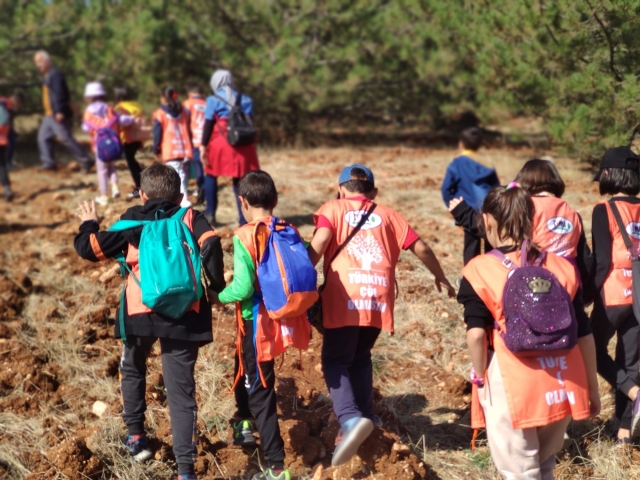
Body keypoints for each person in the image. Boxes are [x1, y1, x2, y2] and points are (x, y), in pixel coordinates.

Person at [73, 163, 225, 480]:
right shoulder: (190, 217)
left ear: (142, 194)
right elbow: (210, 243)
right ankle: (186, 471)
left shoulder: (132, 221)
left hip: (139, 309)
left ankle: (136, 436)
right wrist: (217, 288)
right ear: (180, 195)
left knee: (132, 366)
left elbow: (89, 249)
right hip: (187, 313)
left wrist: (89, 224)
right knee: (181, 394)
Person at [307, 164, 456, 466]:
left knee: (336, 359)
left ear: (341, 189)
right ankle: (366, 415)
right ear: (373, 193)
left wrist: (299, 274)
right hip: (378, 297)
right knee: (360, 355)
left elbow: (321, 241)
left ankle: (349, 420)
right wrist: (440, 276)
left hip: (345, 296)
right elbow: (421, 247)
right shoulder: (388, 214)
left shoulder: (332, 208)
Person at [458, 184, 599, 479]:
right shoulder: (561, 266)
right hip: (562, 380)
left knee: (520, 471)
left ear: (488, 222)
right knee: (545, 465)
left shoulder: (479, 268)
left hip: (513, 383)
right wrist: (592, 390)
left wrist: (481, 378)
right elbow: (584, 333)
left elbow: (475, 335)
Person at [215, 170, 294, 480]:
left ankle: (277, 468)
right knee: (242, 368)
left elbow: (243, 288)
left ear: (242, 202)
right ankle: (244, 422)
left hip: (256, 323)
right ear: (274, 200)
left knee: (261, 390)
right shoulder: (287, 228)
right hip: (280, 318)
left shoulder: (245, 234)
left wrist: (218, 295)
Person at [591, 146, 640, 443]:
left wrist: (586, 294)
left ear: (609, 174)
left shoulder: (604, 209)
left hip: (611, 296)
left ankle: (634, 392)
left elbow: (602, 261)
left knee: (592, 350)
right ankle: (624, 433)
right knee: (630, 362)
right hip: (639, 297)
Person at [514, 159, 593, 291]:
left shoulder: (525, 208)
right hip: (570, 282)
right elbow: (584, 258)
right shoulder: (572, 212)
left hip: (537, 283)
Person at [201, 69, 259, 226]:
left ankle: (211, 213)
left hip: (221, 142)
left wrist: (202, 145)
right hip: (243, 143)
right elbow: (249, 122)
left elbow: (208, 125)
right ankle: (243, 219)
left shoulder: (213, 100)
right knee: (240, 179)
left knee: (211, 175)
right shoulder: (246, 99)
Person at [442, 127, 500, 264]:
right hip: (488, 211)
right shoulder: (487, 163)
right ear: (480, 145)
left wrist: (456, 210)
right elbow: (497, 188)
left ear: (461, 144)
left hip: (468, 211)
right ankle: (491, 278)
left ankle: (470, 281)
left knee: (471, 247)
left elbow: (446, 190)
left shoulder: (457, 164)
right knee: (491, 246)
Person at [33, 50, 93, 172]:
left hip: (56, 114)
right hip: (49, 115)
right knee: (43, 138)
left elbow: (60, 94)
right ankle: (49, 163)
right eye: (36, 62)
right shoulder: (48, 75)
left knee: (65, 138)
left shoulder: (55, 75)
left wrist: (60, 111)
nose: (38, 65)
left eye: (40, 61)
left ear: (48, 60)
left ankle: (86, 161)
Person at [82, 82, 132, 206]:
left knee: (102, 171)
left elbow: (85, 127)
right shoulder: (110, 108)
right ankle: (115, 187)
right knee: (111, 167)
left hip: (100, 146)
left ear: (90, 97)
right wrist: (131, 119)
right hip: (114, 145)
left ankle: (104, 196)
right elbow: (121, 120)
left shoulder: (88, 112)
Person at [152, 86, 193, 208]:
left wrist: (156, 148)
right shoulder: (184, 111)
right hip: (184, 147)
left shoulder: (160, 113)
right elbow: (189, 130)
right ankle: (178, 197)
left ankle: (183, 199)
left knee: (177, 174)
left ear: (163, 98)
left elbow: (157, 133)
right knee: (181, 173)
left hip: (170, 148)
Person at [114, 87, 147, 199]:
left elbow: (120, 123)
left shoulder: (119, 107)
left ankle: (140, 188)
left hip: (127, 138)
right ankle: (143, 185)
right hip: (138, 137)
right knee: (133, 160)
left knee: (131, 162)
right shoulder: (137, 106)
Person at [182, 84, 206, 204]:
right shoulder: (207, 104)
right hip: (207, 140)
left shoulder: (188, 103)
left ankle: (197, 190)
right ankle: (200, 188)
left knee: (189, 165)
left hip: (193, 139)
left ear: (190, 93)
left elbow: (182, 121)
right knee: (202, 166)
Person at [0, 92, 23, 201]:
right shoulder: (7, 105)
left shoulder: (3, 103)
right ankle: (7, 189)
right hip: (2, 139)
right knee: (1, 165)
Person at [4, 91, 24, 168]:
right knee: (11, 141)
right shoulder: (5, 103)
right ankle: (7, 162)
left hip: (6, 127)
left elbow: (9, 120)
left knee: (12, 141)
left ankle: (8, 161)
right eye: (19, 104)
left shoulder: (11, 106)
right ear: (16, 100)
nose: (18, 106)